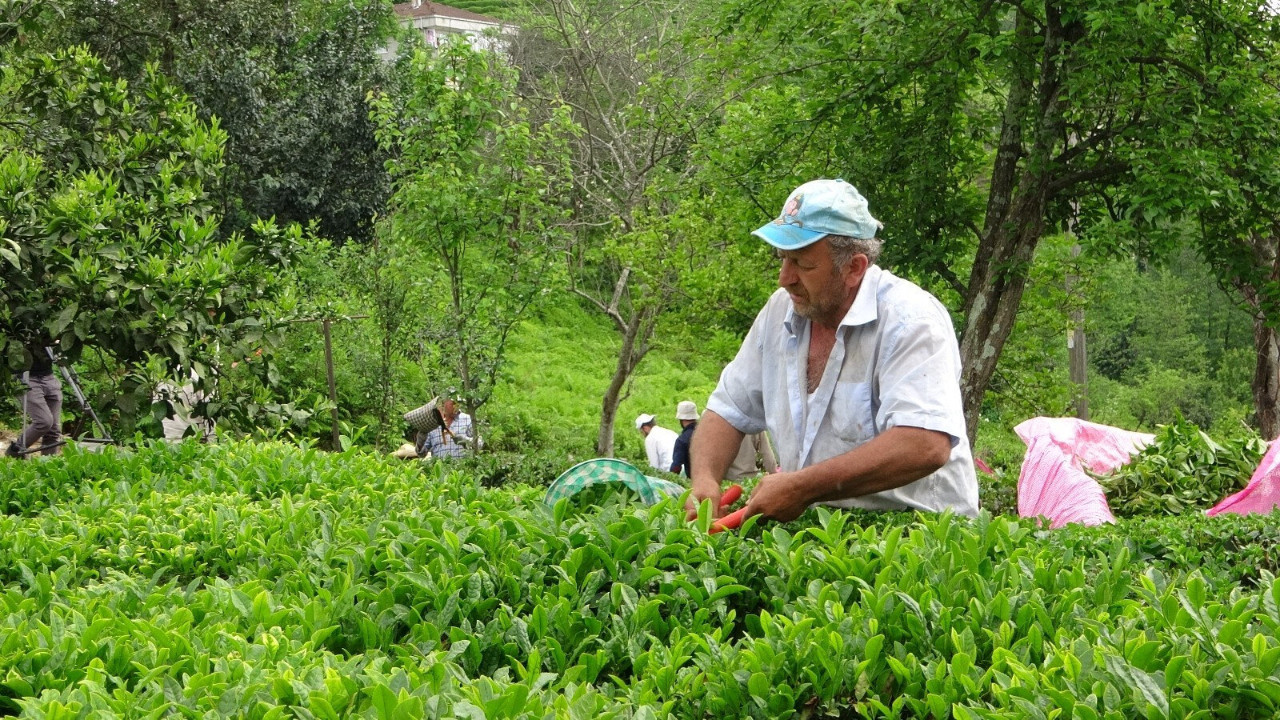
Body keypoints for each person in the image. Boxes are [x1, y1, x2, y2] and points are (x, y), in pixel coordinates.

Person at [686, 178, 979, 523]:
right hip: (820, 530)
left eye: (803, 264)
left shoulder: (910, 319)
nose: (785, 278)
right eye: (783, 259)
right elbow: (727, 408)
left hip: (918, 532)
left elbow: (924, 444)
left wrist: (802, 488)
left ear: (854, 268)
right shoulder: (780, 311)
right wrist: (704, 479)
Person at [6, 344, 63, 459]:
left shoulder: (44, 328)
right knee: (44, 421)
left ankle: (48, 465)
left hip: (48, 376)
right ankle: (15, 450)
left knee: (54, 430)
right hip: (26, 378)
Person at [416, 395, 480, 459]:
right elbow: (421, 454)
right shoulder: (433, 424)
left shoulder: (468, 420)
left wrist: (466, 441)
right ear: (444, 403)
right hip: (440, 468)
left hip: (463, 468)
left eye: (458, 403)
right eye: (454, 403)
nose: (457, 405)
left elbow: (480, 444)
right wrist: (421, 439)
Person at [669, 400, 699, 477]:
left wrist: (671, 478)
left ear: (681, 419)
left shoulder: (682, 440)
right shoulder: (705, 431)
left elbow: (676, 467)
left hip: (695, 480)